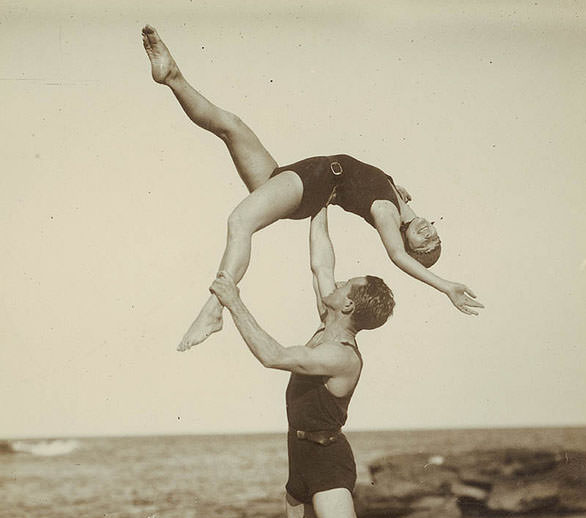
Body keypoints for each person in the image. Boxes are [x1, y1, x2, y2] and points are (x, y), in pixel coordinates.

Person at [141, 25, 483, 351]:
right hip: (300, 176)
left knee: (240, 221)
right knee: (231, 126)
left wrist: (445, 286)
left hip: (311, 184)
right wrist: (394, 186)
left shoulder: (385, 212)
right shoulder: (394, 196)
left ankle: (215, 307)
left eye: (423, 243)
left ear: (407, 242)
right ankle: (172, 76)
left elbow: (395, 256)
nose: (428, 232)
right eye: (436, 235)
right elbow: (374, 186)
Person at [209, 206, 394, 518]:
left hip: (330, 464)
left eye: (345, 285)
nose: (333, 285)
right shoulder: (328, 322)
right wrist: (319, 206)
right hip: (300, 460)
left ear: (350, 305)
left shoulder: (340, 354)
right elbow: (321, 262)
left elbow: (272, 356)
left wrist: (233, 300)